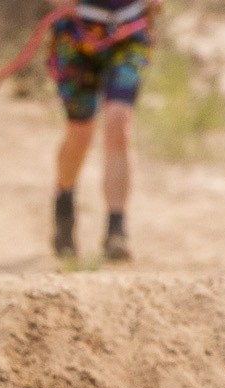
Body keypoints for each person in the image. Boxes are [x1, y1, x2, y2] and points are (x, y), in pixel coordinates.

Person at [49, 0, 154, 262]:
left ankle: (116, 229)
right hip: (75, 31)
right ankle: (64, 203)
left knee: (119, 123)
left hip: (129, 31)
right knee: (80, 131)